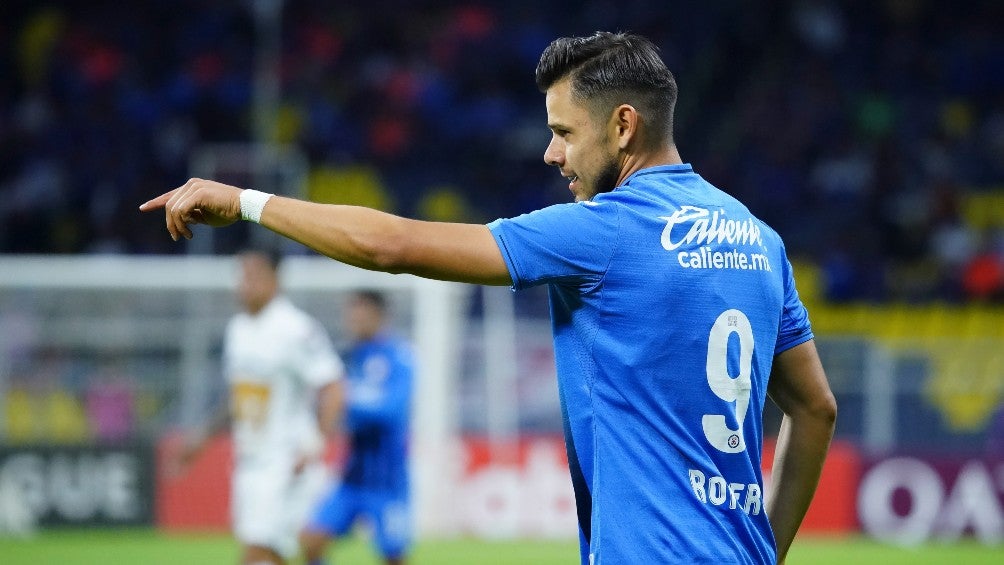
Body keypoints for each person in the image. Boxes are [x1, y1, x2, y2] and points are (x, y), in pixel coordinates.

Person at [143, 32, 837, 565]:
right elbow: (815, 408)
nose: (550, 153)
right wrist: (765, 551)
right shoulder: (760, 240)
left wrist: (247, 200)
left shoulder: (605, 231)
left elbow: (392, 246)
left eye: (564, 132)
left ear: (623, 126)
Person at [172, 249, 345, 565]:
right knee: (278, 552)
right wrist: (201, 438)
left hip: (285, 460)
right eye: (241, 276)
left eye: (253, 277)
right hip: (249, 458)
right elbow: (239, 397)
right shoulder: (238, 329)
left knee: (258, 552)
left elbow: (333, 387)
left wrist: (317, 442)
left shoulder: (295, 328)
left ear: (275, 280)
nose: (244, 285)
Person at [300, 290, 414, 565]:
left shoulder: (400, 357)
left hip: (388, 479)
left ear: (379, 316)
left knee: (393, 557)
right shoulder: (347, 357)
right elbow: (323, 402)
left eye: (361, 316)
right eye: (352, 316)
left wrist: (345, 400)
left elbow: (392, 411)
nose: (354, 322)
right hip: (352, 476)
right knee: (310, 540)